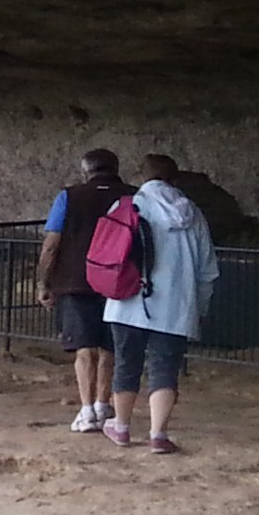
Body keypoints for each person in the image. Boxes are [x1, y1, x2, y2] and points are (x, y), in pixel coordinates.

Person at [104, 154, 219, 455]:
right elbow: (208, 269)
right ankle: (158, 434)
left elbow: (108, 254)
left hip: (127, 301)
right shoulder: (193, 213)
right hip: (175, 306)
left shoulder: (126, 206)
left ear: (142, 177)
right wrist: (200, 307)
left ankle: (121, 427)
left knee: (126, 364)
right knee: (165, 369)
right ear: (175, 178)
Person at [35, 148, 131, 431]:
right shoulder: (133, 196)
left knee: (84, 349)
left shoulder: (69, 196)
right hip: (120, 280)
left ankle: (87, 410)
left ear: (85, 171)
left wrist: (44, 281)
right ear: (115, 168)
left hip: (77, 281)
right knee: (110, 347)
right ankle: (103, 405)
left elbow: (52, 243)